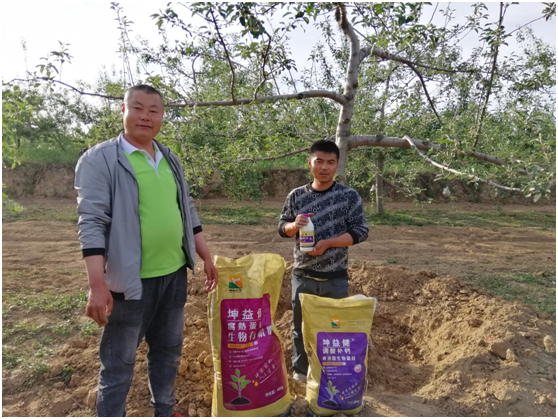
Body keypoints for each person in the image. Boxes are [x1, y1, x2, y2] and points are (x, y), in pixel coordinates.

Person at [75, 84, 218, 417]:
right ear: (123, 110)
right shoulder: (100, 159)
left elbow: (186, 209)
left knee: (168, 353)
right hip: (129, 284)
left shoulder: (169, 157)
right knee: (119, 364)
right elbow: (92, 222)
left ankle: (164, 411)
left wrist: (205, 255)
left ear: (162, 116)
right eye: (137, 108)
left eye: (154, 110)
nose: (145, 116)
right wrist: (97, 284)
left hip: (173, 276)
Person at [277, 139, 369, 383]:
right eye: (319, 161)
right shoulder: (297, 196)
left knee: (334, 329)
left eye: (330, 162)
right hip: (303, 275)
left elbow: (361, 231)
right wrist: (293, 226)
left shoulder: (348, 196)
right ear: (309, 163)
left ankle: (331, 374)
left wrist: (329, 243)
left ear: (337, 165)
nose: (324, 167)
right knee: (300, 327)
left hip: (335, 277)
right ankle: (300, 372)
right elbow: (282, 228)